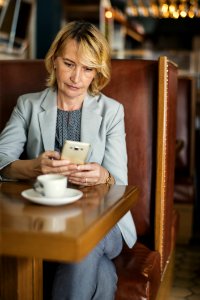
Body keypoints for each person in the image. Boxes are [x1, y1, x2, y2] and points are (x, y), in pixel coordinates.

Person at [0, 21, 136, 299]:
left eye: (87, 69)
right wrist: (33, 167)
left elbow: (119, 182)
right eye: (69, 63)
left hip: (104, 223)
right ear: (53, 61)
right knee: (104, 276)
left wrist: (102, 175)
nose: (76, 77)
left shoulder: (111, 112)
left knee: (84, 240)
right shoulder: (28, 105)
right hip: (47, 220)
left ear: (97, 73)